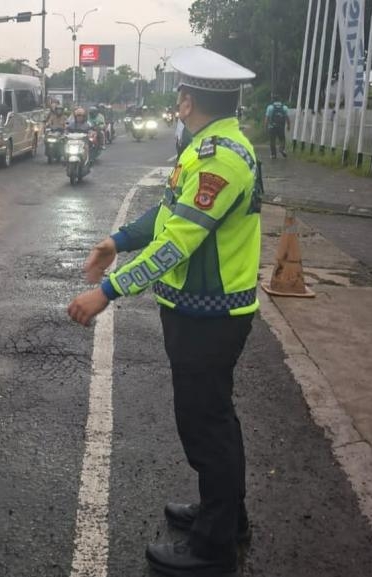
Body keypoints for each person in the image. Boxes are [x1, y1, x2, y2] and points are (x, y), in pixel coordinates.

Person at [68, 46, 261, 577]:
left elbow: (178, 240)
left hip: (212, 315)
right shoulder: (207, 147)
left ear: (185, 99)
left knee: (206, 424)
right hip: (198, 312)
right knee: (211, 418)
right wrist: (118, 238)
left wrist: (107, 290)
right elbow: (171, 207)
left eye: (179, 92)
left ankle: (214, 546)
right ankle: (226, 514)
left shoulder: (219, 157)